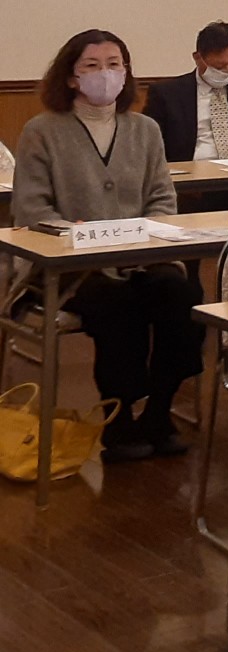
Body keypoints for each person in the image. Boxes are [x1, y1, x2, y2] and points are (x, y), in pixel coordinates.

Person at [11, 30, 202, 461]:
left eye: (114, 64)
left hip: (141, 256)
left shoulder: (145, 129)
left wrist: (144, 234)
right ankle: (119, 420)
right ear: (71, 77)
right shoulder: (42, 130)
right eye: (92, 66)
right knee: (118, 305)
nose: (106, 74)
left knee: (181, 295)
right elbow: (31, 211)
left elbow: (162, 200)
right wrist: (75, 233)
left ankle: (159, 409)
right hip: (69, 266)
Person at [142, 20, 228, 162]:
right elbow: (148, 140)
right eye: (219, 66)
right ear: (198, 58)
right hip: (188, 169)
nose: (227, 71)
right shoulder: (167, 94)